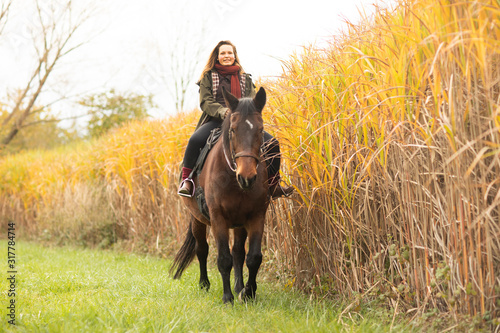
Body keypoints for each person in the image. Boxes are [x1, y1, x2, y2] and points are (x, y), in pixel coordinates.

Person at [178, 40, 293, 199]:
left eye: (229, 53)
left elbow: (252, 102)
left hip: (242, 124)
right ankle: (187, 180)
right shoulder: (208, 77)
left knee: (272, 143)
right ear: (217, 57)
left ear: (234, 55)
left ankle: (273, 184)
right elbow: (206, 102)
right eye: (223, 53)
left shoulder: (245, 79)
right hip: (216, 120)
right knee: (195, 140)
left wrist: (243, 115)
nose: (227, 56)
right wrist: (225, 112)